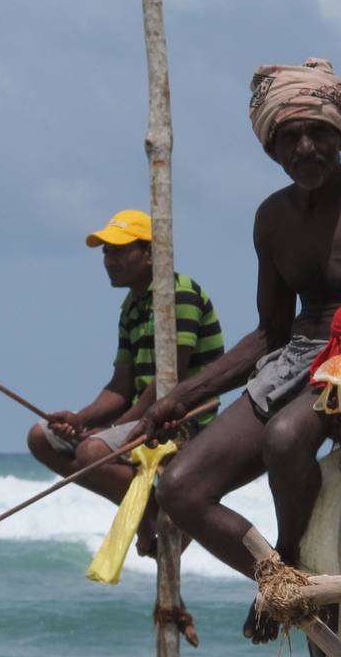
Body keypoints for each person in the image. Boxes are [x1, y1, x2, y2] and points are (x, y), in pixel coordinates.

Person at [135, 58, 341, 641]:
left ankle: (287, 563)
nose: (306, 147)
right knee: (179, 488)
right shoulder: (272, 218)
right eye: (289, 137)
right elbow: (270, 333)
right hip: (293, 360)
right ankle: (276, 577)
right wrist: (178, 399)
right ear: (272, 148)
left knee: (286, 437)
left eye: (318, 133)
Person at [26, 209, 225, 557]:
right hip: (145, 412)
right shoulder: (132, 306)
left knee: (94, 451)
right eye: (105, 252)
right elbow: (122, 385)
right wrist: (81, 420)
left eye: (118, 251)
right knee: (42, 437)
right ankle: (149, 512)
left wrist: (114, 429)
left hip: (183, 419)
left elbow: (169, 382)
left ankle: (158, 515)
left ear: (150, 253)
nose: (109, 260)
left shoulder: (180, 294)